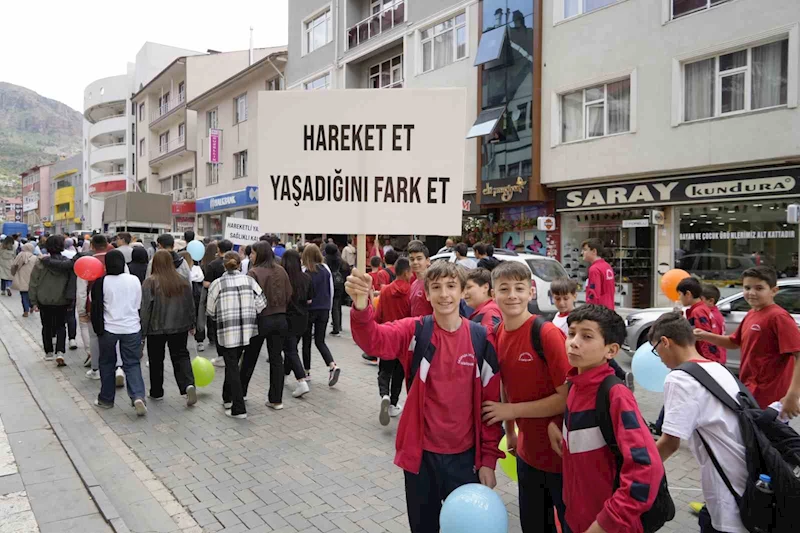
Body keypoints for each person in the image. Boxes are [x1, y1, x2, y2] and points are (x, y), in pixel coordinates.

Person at [346, 261, 503, 532]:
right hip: (422, 459)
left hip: (466, 460)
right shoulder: (416, 331)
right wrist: (361, 307)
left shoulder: (480, 338)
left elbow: (491, 407)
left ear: (463, 291)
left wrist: (488, 460)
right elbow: (374, 340)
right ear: (426, 294)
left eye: (452, 286)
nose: (444, 294)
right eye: (437, 287)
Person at [547, 305, 664, 533]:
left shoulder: (615, 395)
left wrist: (606, 522)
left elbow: (646, 469)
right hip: (575, 518)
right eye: (571, 333)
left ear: (611, 351)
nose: (574, 342)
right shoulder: (574, 386)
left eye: (587, 336)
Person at [484, 262, 570, 532]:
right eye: (504, 289)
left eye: (519, 288)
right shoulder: (498, 334)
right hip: (527, 455)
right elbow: (506, 386)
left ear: (531, 292)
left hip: (561, 456)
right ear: (493, 294)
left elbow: (566, 398)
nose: (512, 295)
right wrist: (510, 431)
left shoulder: (545, 333)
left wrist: (511, 413)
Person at [652, 312, 748, 533]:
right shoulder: (719, 369)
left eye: (657, 352)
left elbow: (670, 443)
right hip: (747, 481)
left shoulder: (680, 378)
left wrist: (634, 473)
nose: (661, 360)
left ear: (665, 342)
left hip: (728, 494)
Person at [695, 266, 800, 416]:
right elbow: (734, 342)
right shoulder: (751, 313)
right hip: (750, 392)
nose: (751, 293)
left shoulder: (778, 317)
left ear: (774, 291)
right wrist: (705, 335)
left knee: (769, 438)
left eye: (759, 288)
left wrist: (793, 395)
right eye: (747, 287)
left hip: (771, 398)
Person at [206, 252, 267, 419]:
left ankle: (238, 408)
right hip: (247, 330)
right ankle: (227, 397)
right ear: (240, 264)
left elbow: (210, 310)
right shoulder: (249, 280)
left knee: (231, 366)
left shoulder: (217, 284)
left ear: (223, 265)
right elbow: (262, 303)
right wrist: (249, 310)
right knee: (232, 365)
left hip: (227, 331)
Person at [90, 250, 147, 415]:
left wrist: (97, 329)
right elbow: (138, 304)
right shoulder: (134, 280)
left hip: (109, 328)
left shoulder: (101, 282)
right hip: (132, 327)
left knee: (107, 363)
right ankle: (137, 396)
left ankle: (106, 399)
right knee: (132, 363)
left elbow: (96, 308)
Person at [140, 250, 197, 406]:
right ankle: (188, 385)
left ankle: (156, 392)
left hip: (156, 327)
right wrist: (192, 324)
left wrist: (142, 332)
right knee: (181, 355)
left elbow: (145, 309)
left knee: (156, 359)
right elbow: (190, 305)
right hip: (180, 326)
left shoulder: (150, 282)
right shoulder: (183, 281)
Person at [243, 242, 293, 410]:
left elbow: (249, 299)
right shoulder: (281, 270)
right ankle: (276, 399)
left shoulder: (254, 272)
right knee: (276, 359)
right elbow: (289, 294)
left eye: (253, 253)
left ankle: (240, 393)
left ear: (260, 254)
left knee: (249, 358)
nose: (251, 256)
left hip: (261, 320)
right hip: (280, 319)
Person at [374, 257, 413, 425]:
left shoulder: (385, 291)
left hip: (387, 336)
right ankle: (393, 404)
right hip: (404, 339)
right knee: (398, 373)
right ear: (406, 273)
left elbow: (378, 316)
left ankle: (384, 395)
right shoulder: (411, 292)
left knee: (384, 371)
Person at [28, 235, 75, 366]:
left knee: (46, 326)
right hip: (62, 299)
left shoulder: (40, 262)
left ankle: (48, 352)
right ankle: (60, 351)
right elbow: (72, 283)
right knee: (61, 326)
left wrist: (33, 301)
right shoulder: (67, 263)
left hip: (44, 300)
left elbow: (33, 283)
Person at [301, 244, 341, 387]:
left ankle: (306, 371)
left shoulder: (305, 270)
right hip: (324, 308)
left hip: (309, 309)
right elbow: (330, 289)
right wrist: (329, 308)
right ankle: (332, 365)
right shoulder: (326, 269)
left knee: (306, 341)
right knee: (320, 341)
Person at [281, 249, 312, 399]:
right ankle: (285, 375)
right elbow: (310, 299)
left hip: (288, 318)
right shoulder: (306, 277)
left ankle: (301, 381)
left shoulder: (283, 278)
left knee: (290, 350)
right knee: (291, 348)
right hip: (303, 318)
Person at [677, 277, 721, 363]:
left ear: (688, 294)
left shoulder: (697, 312)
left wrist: (706, 360)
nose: (679, 298)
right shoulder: (702, 308)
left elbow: (703, 338)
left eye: (680, 294)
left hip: (704, 357)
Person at [204, 239, 233, 365]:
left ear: (218, 249)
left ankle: (221, 355)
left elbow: (206, 283)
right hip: (233, 299)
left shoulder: (213, 264)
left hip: (218, 301)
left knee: (218, 328)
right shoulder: (236, 263)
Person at [463, 268, 502, 345]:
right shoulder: (488, 309)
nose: (464, 292)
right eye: (463, 288)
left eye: (469, 287)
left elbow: (490, 344)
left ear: (485, 287)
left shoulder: (490, 311)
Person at [180, 251, 205, 351]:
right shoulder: (198, 268)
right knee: (198, 318)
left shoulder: (181, 270)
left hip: (185, 298)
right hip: (197, 296)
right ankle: (200, 341)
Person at [581, 238, 615, 309]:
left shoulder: (594, 269)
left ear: (594, 251)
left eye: (585, 250)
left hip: (599, 312)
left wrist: (589, 308)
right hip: (609, 307)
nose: (582, 252)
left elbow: (594, 293)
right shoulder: (607, 266)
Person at [324, 243, 350, 337]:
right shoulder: (342, 262)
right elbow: (347, 272)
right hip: (340, 284)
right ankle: (338, 325)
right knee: (337, 304)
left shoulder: (326, 261)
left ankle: (335, 328)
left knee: (333, 305)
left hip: (330, 284)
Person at [701, 284, 727, 365]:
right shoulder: (715, 313)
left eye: (700, 300)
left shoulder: (711, 315)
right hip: (719, 354)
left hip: (714, 356)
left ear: (711, 301)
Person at [407, 240, 433, 317]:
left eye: (419, 258)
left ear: (427, 261)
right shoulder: (413, 284)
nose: (415, 262)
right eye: (412, 259)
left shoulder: (432, 282)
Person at [11, 242, 37, 317]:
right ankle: (31, 306)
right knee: (30, 295)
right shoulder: (34, 258)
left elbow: (14, 265)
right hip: (32, 279)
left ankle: (26, 310)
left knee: (23, 295)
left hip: (21, 278)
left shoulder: (20, 256)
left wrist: (13, 273)